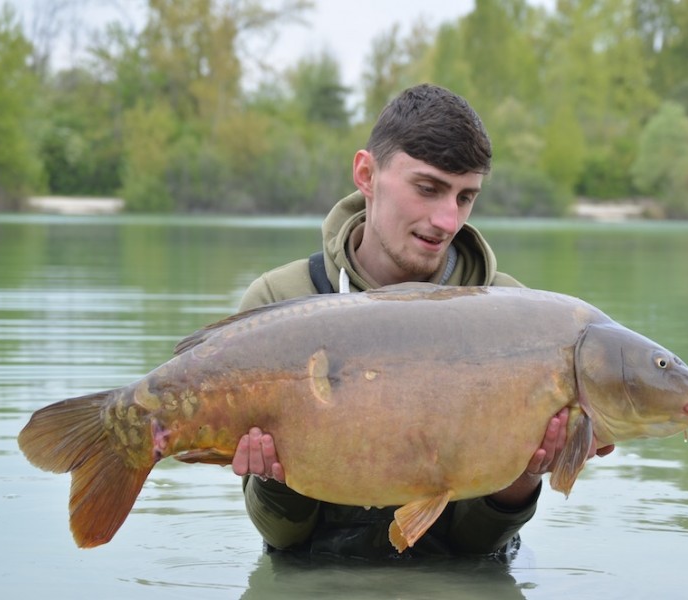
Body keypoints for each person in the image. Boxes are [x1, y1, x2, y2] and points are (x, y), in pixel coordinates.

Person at [231, 83, 613, 560]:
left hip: (461, 575)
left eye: (466, 197)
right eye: (428, 189)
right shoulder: (279, 302)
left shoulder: (519, 316)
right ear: (366, 174)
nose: (447, 220)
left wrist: (522, 477)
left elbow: (477, 550)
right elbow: (284, 540)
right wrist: (278, 480)